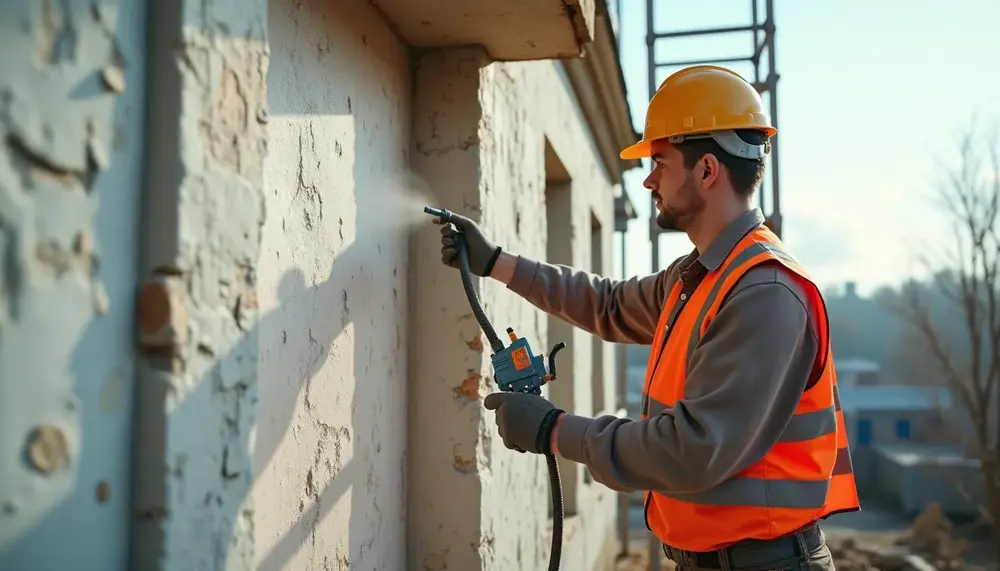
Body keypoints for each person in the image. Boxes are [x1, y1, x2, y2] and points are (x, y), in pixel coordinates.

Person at [434, 65, 860, 571]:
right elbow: (608, 305)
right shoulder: (699, 276)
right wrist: (496, 263)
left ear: (707, 170)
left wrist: (554, 429)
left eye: (660, 161)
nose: (650, 179)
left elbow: (690, 449)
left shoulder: (764, 293)